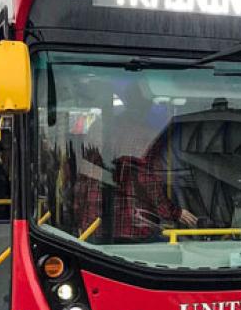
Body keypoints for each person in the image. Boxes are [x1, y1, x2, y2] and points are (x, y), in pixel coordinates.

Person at [71, 86, 197, 243]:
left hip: (94, 222)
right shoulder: (145, 135)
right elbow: (148, 182)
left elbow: (83, 177)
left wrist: (78, 215)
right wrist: (174, 212)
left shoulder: (96, 128)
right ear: (144, 104)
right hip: (132, 225)